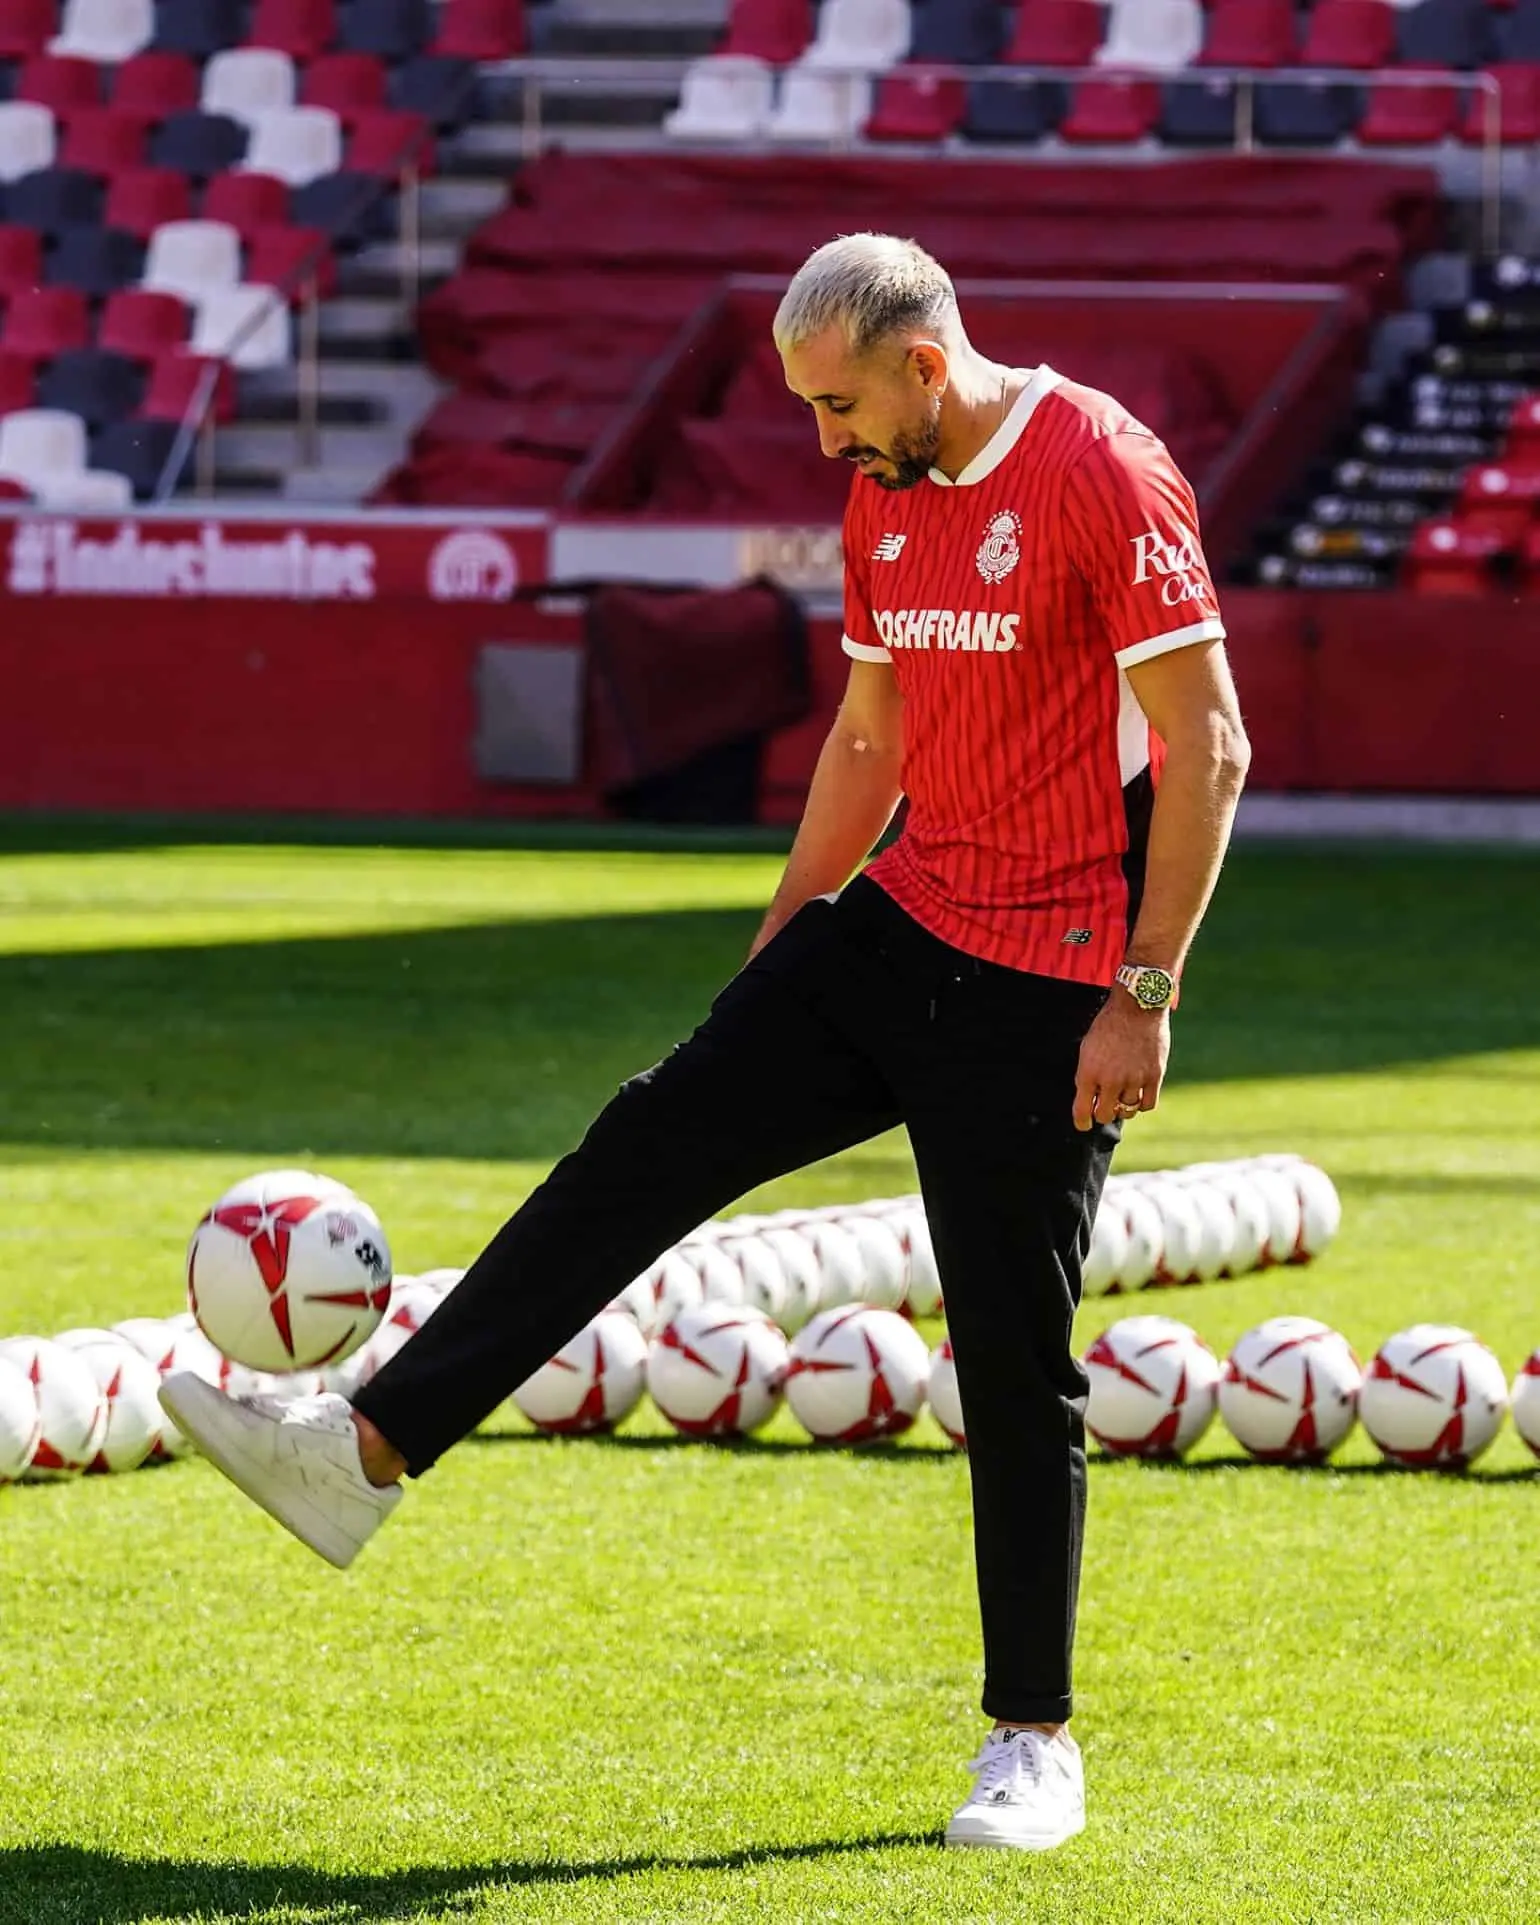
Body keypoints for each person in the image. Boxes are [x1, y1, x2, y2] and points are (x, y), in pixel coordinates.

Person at [162, 233, 1250, 1854]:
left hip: (1055, 974)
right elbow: (870, 732)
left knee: (1013, 1358)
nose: (824, 442)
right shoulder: (886, 486)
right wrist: (788, 937)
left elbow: (1208, 742)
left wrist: (1143, 995)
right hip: (900, 923)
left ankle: (1032, 1744)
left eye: (837, 404)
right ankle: (362, 1452)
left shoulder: (1101, 468)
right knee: (646, 1139)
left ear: (925, 367)